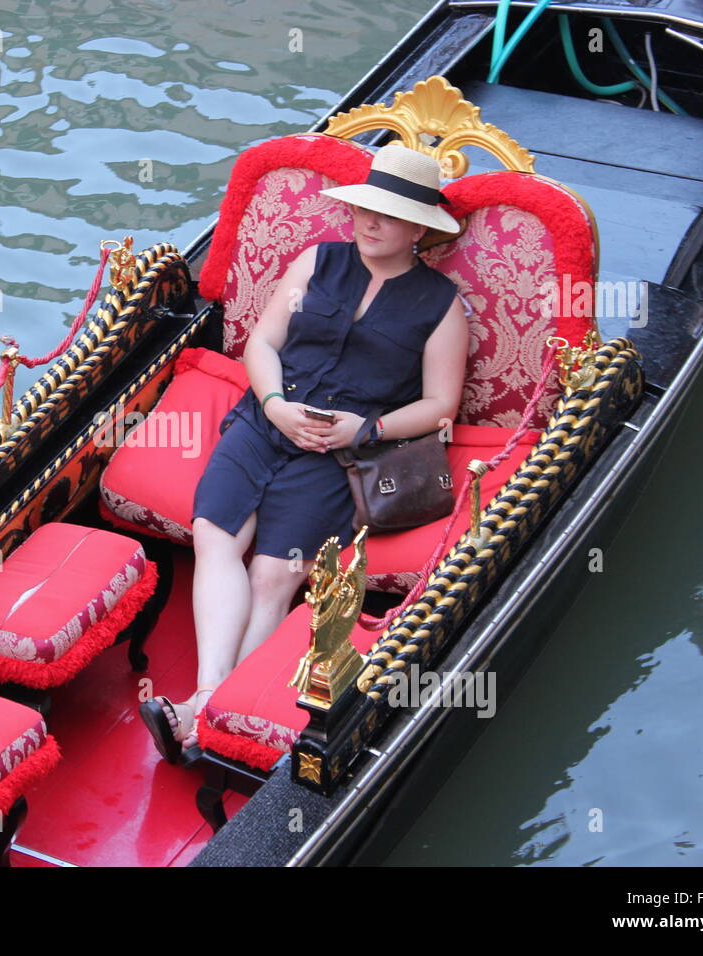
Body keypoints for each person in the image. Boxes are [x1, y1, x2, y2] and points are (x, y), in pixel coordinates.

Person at [139, 142, 470, 764]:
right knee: (215, 535)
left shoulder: (441, 306)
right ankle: (209, 701)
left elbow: (440, 408)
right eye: (366, 209)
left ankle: (207, 714)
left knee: (275, 573)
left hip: (338, 453)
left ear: (421, 230)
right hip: (267, 420)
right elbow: (263, 343)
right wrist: (273, 406)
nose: (370, 223)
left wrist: (362, 429)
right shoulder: (317, 262)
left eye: (390, 216)